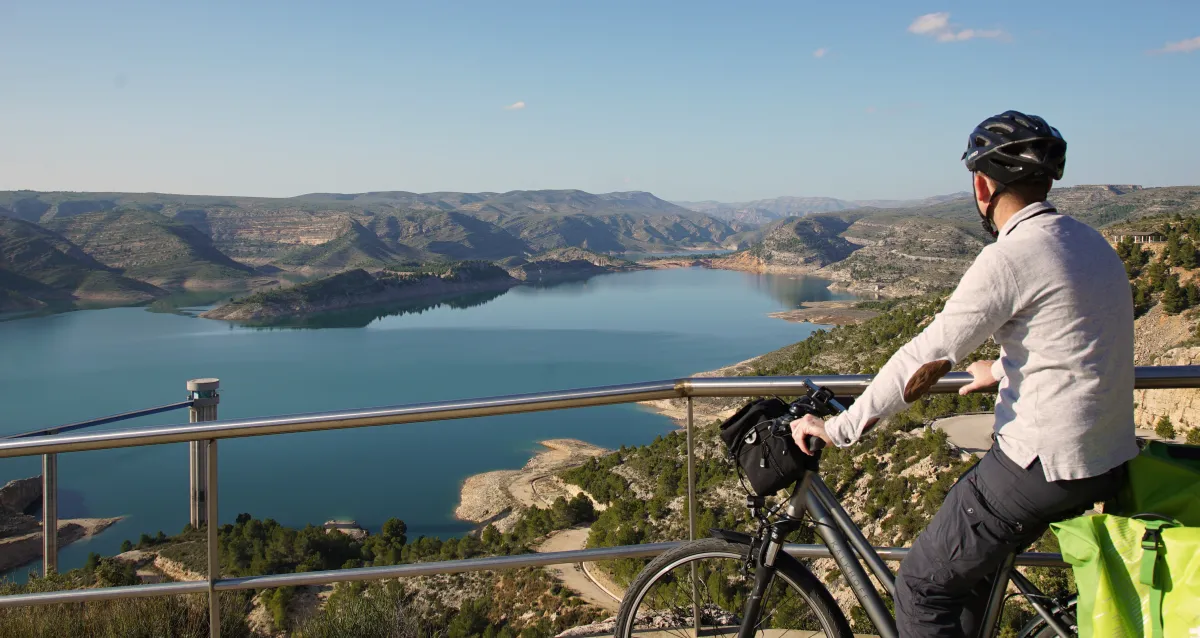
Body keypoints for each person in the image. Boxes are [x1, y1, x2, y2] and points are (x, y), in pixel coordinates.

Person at [790, 110, 1137, 637]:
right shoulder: (1089, 241)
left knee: (921, 588)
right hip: (1108, 455)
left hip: (1043, 462)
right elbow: (1077, 334)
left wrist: (839, 428)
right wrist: (1003, 365)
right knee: (968, 578)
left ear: (982, 184)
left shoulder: (1012, 256)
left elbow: (925, 357)